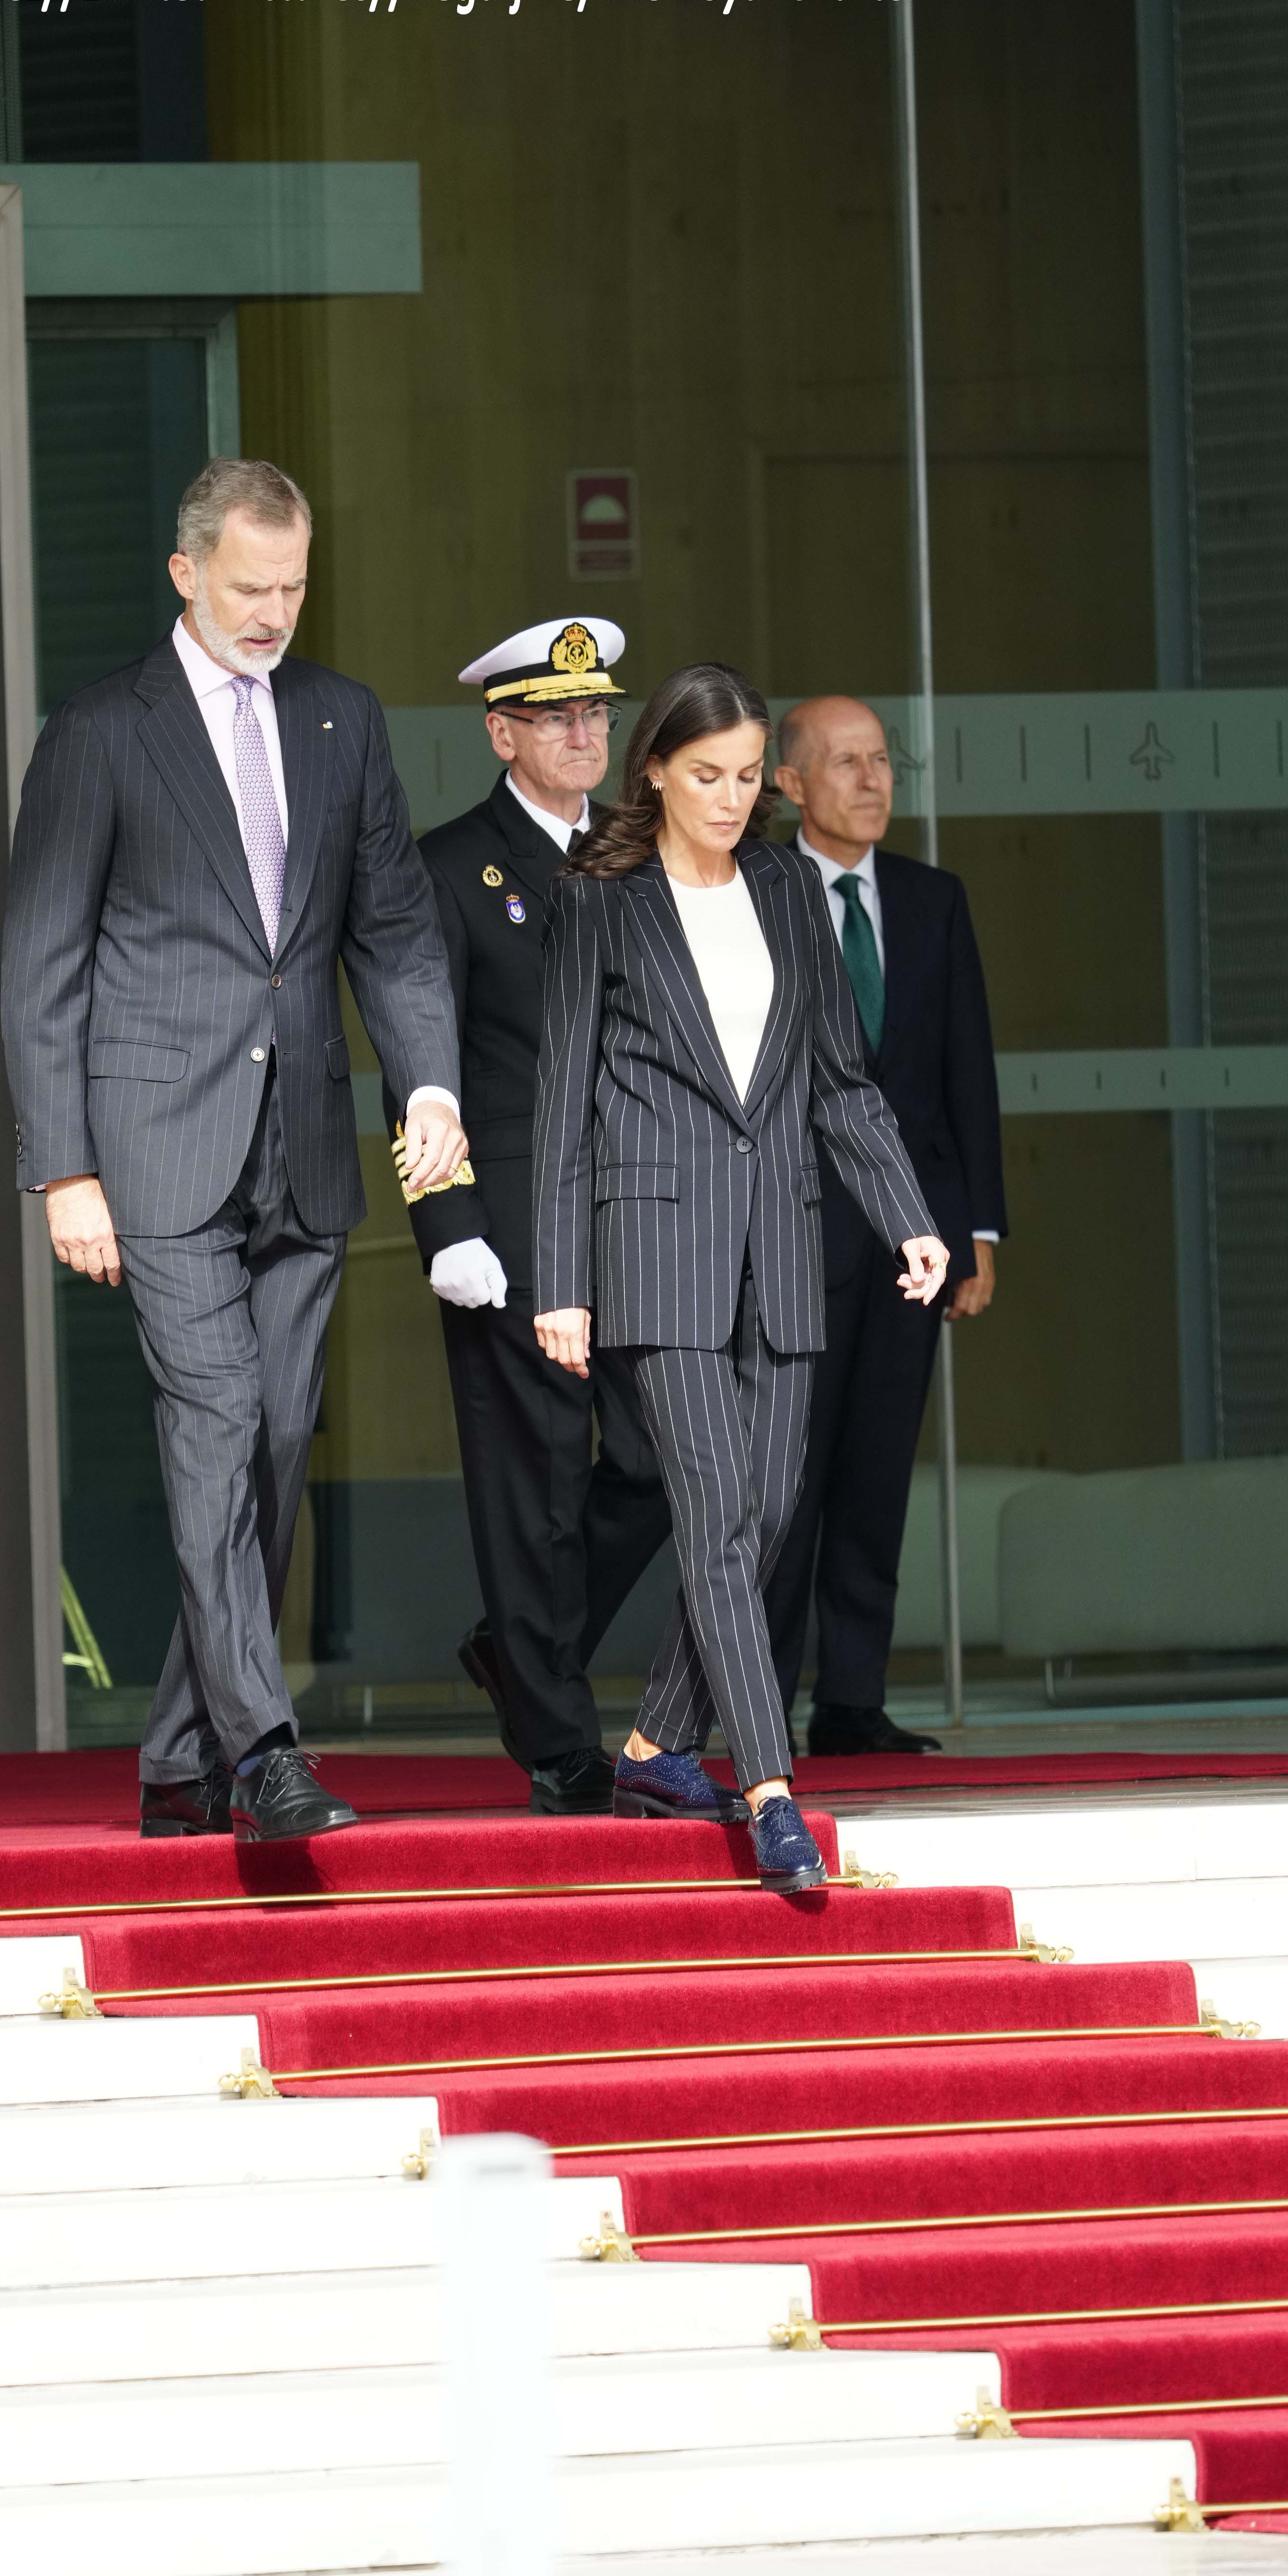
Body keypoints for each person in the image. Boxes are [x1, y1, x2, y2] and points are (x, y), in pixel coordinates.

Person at [2, 458, 464, 1842]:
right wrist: (62, 1169)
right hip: (156, 1147)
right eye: (252, 587)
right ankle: (264, 1748)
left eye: (297, 586)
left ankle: (174, 1759)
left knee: (270, 1440)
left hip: (307, 1142)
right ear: (186, 572)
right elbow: (40, 968)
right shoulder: (101, 732)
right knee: (211, 1426)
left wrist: (427, 1085)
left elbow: (391, 928)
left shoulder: (341, 720)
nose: (276, 612)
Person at [531, 663, 947, 1892]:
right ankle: (770, 1791)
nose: (731, 796)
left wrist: (907, 1218)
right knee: (718, 1517)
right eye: (706, 774)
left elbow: (839, 1080)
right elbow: (560, 1114)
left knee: (764, 1523)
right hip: (655, 1256)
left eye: (749, 775)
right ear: (652, 767)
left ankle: (660, 1746)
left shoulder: (782, 887)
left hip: (786, 1245)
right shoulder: (596, 905)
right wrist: (561, 1282)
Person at [388, 618, 671, 1814]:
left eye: (597, 712)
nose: (584, 731)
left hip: (637, 1210)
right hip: (507, 1215)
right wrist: (445, 1221)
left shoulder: (642, 858)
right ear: (502, 731)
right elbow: (421, 1060)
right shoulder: (448, 866)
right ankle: (560, 1742)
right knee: (534, 1476)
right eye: (556, 716)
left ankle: (521, 1650)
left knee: (661, 1465)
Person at [764, 696, 1007, 1756]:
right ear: (791, 783)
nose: (873, 781)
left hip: (913, 1235)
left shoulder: (931, 899)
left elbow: (967, 1074)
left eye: (881, 762)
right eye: (846, 763)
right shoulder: (754, 893)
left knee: (874, 1470)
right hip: (791, 1230)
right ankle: (759, 1698)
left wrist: (979, 1232)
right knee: (787, 1475)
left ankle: (852, 1702)